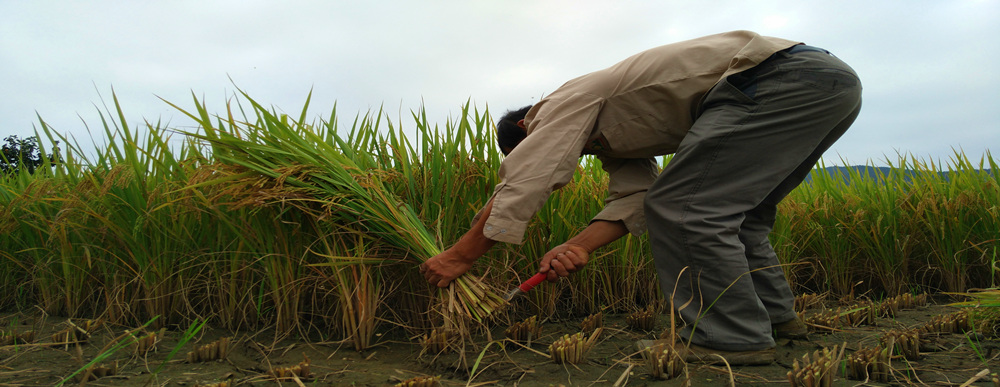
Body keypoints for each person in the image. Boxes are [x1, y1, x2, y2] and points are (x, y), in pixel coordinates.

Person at [418, 30, 862, 365]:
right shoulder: (615, 134)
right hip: (826, 85)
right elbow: (640, 197)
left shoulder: (557, 105)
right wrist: (576, 247)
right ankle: (777, 319)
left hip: (775, 79)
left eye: (533, 144)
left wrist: (461, 255)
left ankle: (729, 339)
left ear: (525, 130)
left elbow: (530, 175)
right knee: (736, 215)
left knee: (690, 209)